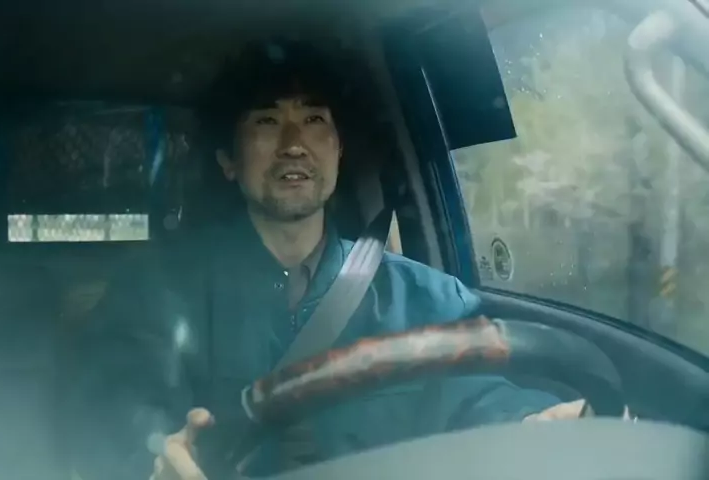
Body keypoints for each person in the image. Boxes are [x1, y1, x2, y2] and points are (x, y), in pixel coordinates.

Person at [67, 41, 586, 480]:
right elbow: (118, 408)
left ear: (338, 149)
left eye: (314, 119)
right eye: (267, 120)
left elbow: (479, 396)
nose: (294, 144)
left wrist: (531, 424)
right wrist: (153, 458)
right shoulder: (155, 291)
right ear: (228, 161)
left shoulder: (429, 299)